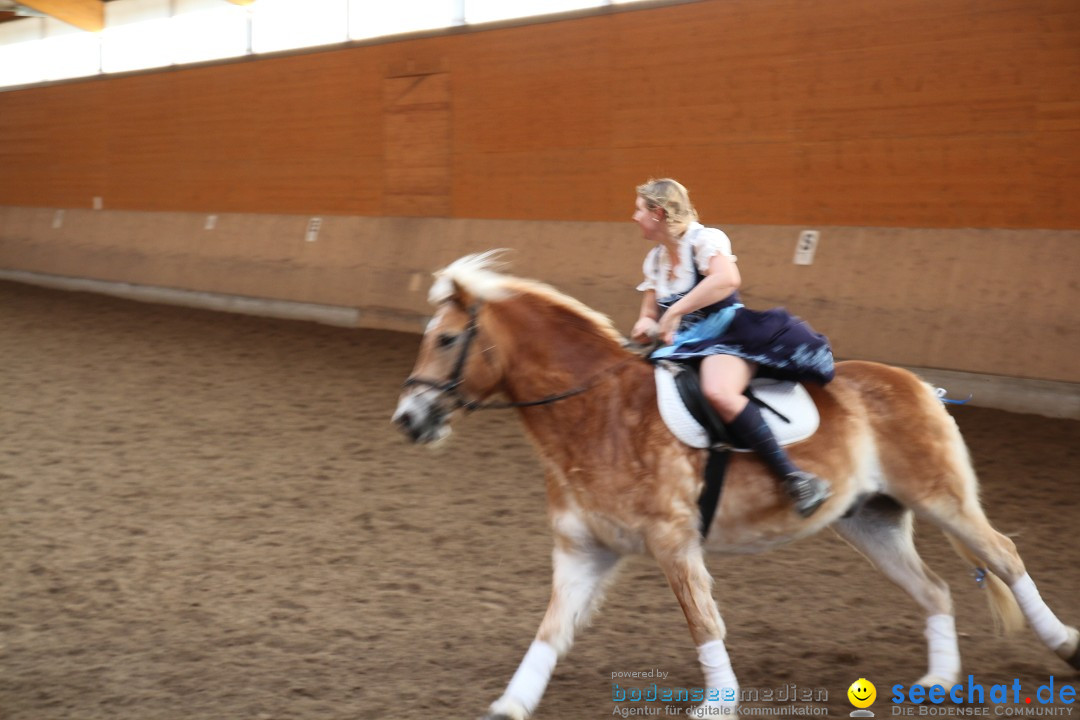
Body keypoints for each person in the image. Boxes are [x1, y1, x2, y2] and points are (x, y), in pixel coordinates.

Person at [630, 178, 833, 517]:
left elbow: (726, 280)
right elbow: (650, 314)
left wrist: (677, 311)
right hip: (680, 347)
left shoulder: (704, 240)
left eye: (639, 210)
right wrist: (645, 326)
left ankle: (796, 478)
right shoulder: (654, 261)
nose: (634, 217)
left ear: (658, 213)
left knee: (719, 392)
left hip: (726, 335)